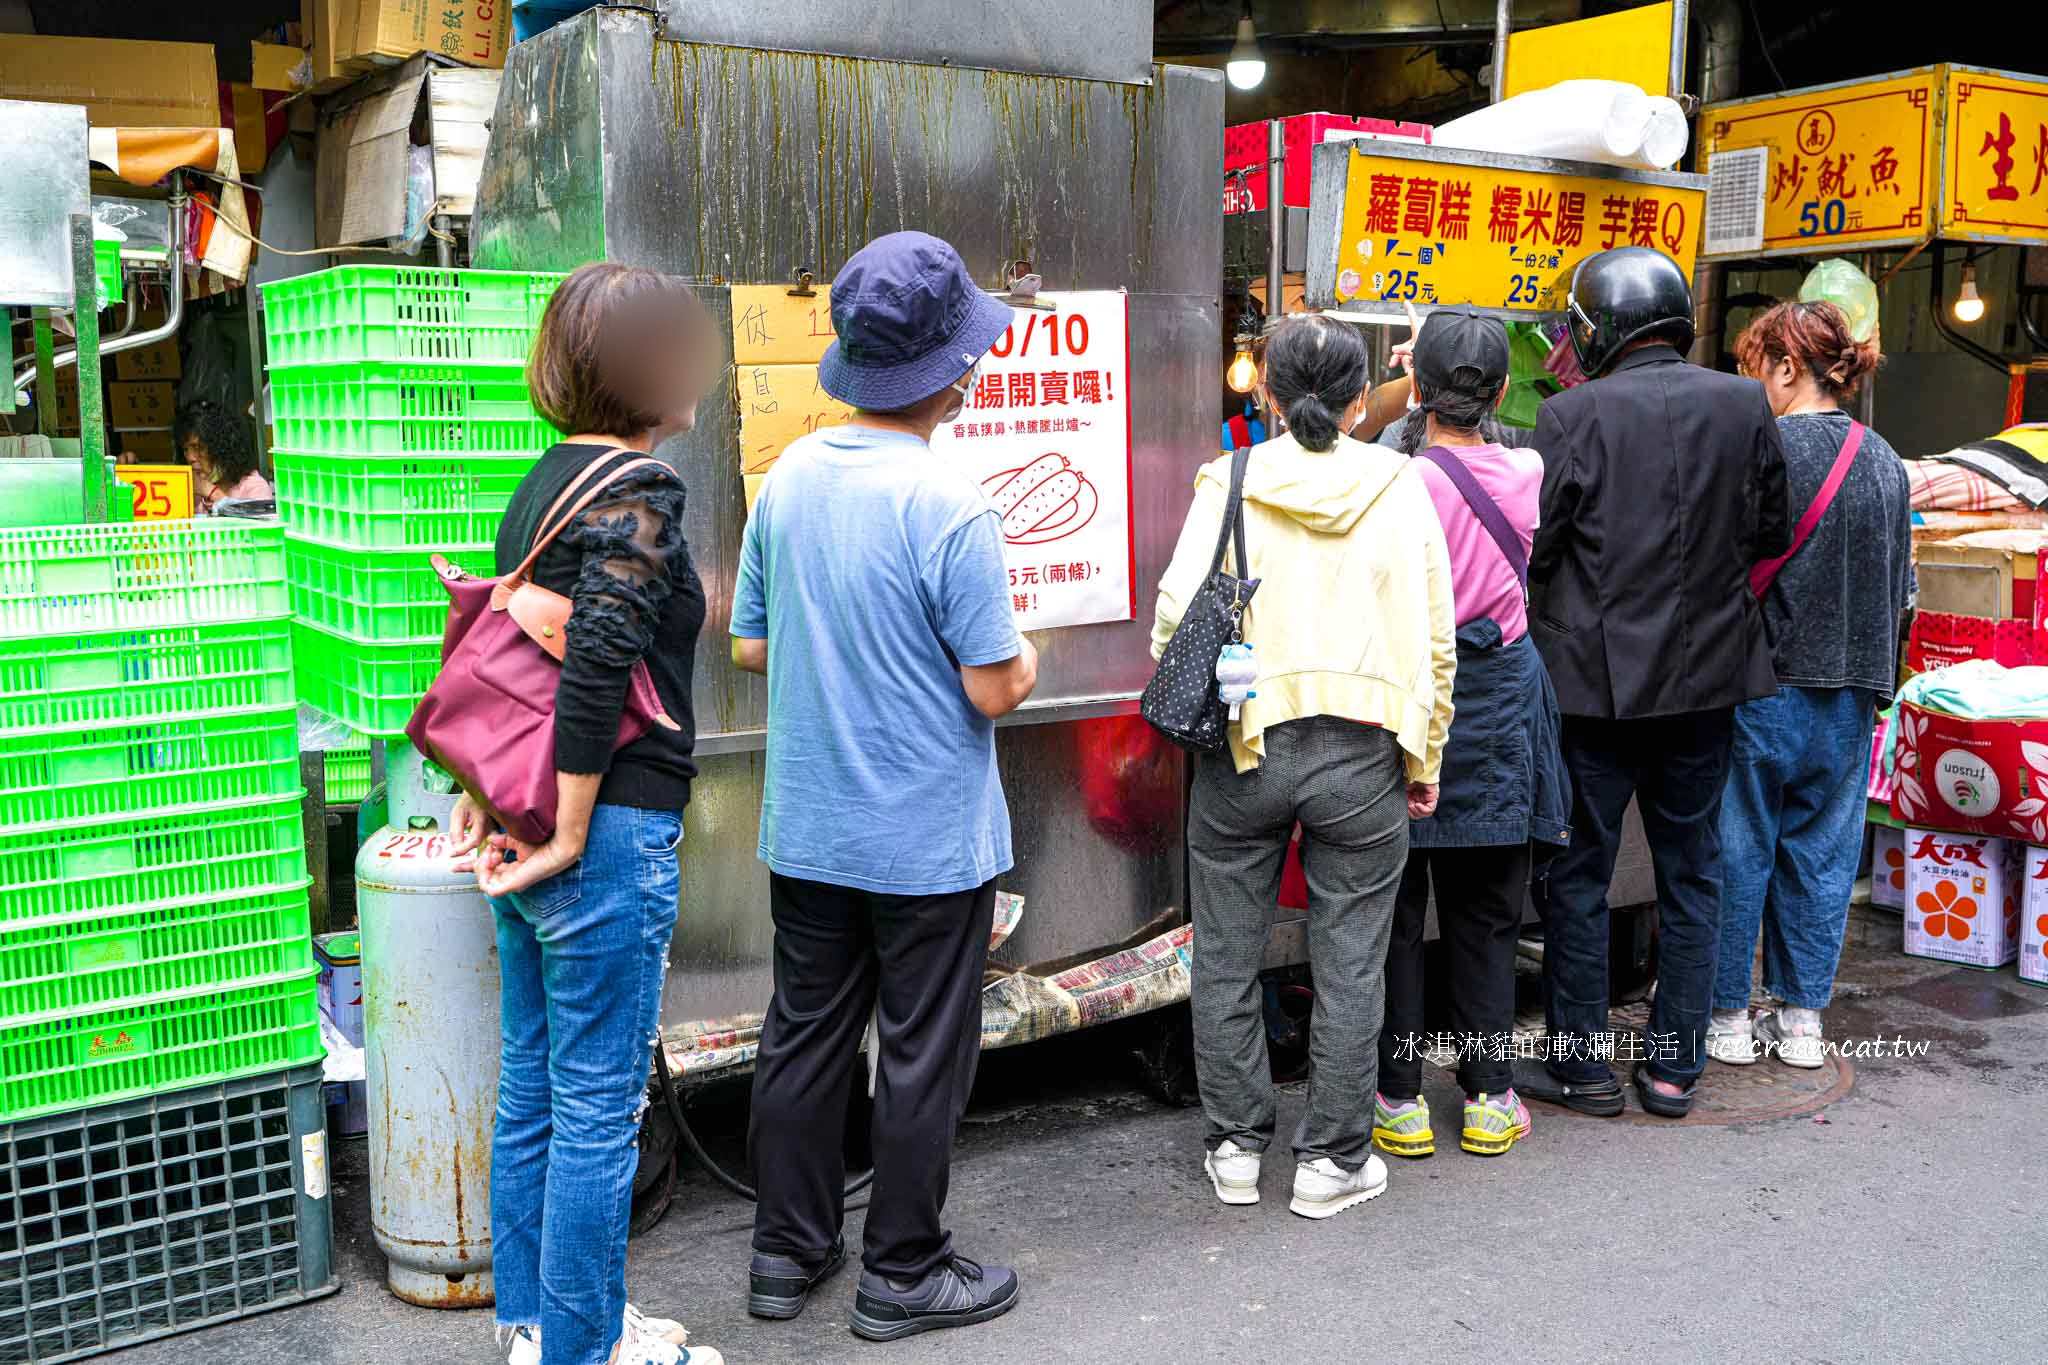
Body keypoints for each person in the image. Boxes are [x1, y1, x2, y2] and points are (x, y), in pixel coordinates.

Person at [731, 231, 1037, 1344]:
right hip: (924, 839)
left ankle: (785, 1251)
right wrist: (1027, 655)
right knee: (919, 1049)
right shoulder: (950, 506)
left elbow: (751, 645)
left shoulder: (791, 478)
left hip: (807, 823)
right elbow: (993, 686)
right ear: (950, 374)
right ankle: (902, 1269)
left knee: (802, 1035)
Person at [446, 262, 722, 1365]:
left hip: (529, 811)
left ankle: (544, 1326)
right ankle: (585, 1349)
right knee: (597, 1108)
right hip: (598, 828)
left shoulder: (544, 481)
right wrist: (564, 826)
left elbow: (504, 646)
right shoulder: (642, 490)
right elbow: (599, 656)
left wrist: (491, 798)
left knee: (536, 1090)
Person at [1154, 313, 1456, 1218]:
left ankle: (1238, 1145)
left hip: (1248, 741)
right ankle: (1331, 1159)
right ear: (1363, 401)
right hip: (1365, 750)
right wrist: (1426, 750)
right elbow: (1435, 638)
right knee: (1352, 958)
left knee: (1229, 954)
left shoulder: (1232, 476)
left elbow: (1175, 621)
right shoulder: (1402, 482)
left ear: (1272, 399)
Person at [1515, 246, 1791, 1120]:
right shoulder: (1744, 402)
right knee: (1693, 869)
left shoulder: (1570, 417)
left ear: (1601, 330)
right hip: (1709, 681)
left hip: (1595, 690)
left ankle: (1582, 1067)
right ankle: (1675, 1069)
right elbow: (1769, 528)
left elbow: (1540, 545)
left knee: (1579, 873)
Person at [1372, 309, 1570, 1163]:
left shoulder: (1394, 477)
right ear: (1497, 392)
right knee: (1488, 912)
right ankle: (1491, 1099)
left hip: (1416, 702)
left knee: (1399, 910)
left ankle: (1400, 1100)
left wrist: (1409, 386)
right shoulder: (1526, 467)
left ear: (1421, 389)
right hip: (1500, 704)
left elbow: (1378, 438)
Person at [1711, 301, 1910, 1068]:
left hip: (1767, 685)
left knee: (1740, 848)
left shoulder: (1762, 451)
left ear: (1787, 367)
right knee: (1823, 855)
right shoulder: (1887, 460)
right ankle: (1801, 1022)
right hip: (1853, 692)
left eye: (1753, 366)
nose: (1748, 382)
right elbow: (1903, 587)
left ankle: (1728, 1014)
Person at [174, 400, 271, 510]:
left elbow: (258, 524)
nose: (190, 457)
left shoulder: (254, 486)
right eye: (186, 449)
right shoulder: (189, 490)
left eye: (198, 448)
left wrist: (212, 493)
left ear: (221, 448)